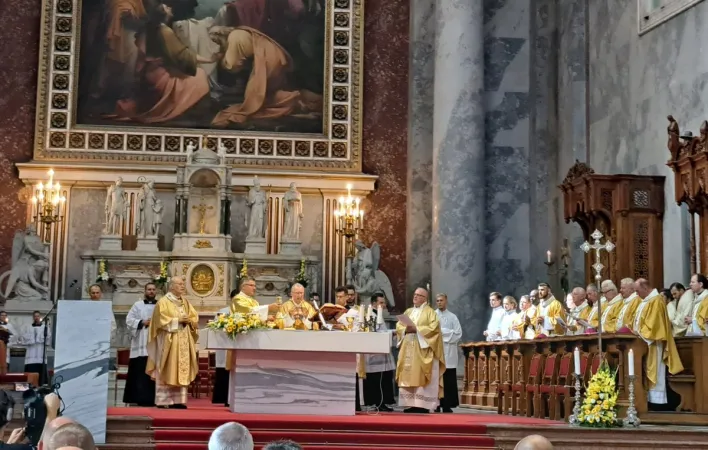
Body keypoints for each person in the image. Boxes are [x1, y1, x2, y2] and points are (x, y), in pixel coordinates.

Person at [146, 276, 199, 409]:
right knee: (168, 367)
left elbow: (194, 316)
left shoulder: (185, 302)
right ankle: (164, 400)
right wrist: (178, 320)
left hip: (183, 340)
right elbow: (160, 321)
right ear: (171, 286)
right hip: (168, 340)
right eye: (179, 284)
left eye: (183, 284)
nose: (182, 286)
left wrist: (190, 321)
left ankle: (178, 401)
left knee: (181, 368)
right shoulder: (163, 302)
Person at [632, 278, 683, 410]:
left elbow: (654, 325)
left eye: (638, 291)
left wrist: (639, 334)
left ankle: (657, 404)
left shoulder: (656, 300)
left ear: (644, 287)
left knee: (654, 372)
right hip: (642, 343)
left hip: (652, 343)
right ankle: (647, 400)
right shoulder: (646, 301)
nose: (637, 294)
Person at [395, 287, 444, 413]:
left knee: (421, 373)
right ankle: (409, 404)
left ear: (425, 298)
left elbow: (434, 329)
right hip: (408, 348)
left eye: (419, 295)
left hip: (422, 349)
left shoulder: (430, 312)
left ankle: (422, 405)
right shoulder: (408, 311)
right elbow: (399, 325)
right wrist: (405, 329)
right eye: (415, 294)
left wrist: (417, 329)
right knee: (408, 374)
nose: (415, 297)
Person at [123, 283, 158, 406]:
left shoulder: (161, 305)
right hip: (141, 341)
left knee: (153, 371)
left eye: (153, 289)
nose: (151, 292)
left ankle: (154, 398)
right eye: (149, 289)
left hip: (156, 343)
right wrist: (142, 322)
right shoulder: (137, 305)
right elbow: (129, 319)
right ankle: (137, 397)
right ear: (145, 291)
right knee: (139, 372)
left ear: (156, 291)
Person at [363, 293, 396, 412]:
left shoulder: (379, 315)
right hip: (374, 355)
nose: (384, 305)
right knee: (376, 380)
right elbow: (374, 333)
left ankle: (383, 402)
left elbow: (383, 331)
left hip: (382, 354)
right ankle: (377, 402)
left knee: (384, 379)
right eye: (381, 303)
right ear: (373, 304)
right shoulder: (369, 315)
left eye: (384, 302)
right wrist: (392, 333)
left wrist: (392, 332)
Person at [434, 293, 462, 413]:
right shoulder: (432, 315)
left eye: (441, 300)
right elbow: (432, 332)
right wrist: (447, 333)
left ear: (446, 301)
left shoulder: (453, 317)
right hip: (437, 352)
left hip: (449, 352)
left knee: (448, 379)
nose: (439, 302)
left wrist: (443, 334)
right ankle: (435, 404)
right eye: (437, 301)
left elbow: (458, 334)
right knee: (436, 379)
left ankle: (447, 404)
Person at [21, 310, 49, 375]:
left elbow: (48, 339)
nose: (36, 317)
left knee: (40, 369)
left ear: (40, 317)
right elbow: (23, 338)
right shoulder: (28, 327)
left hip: (40, 352)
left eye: (38, 316)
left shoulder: (45, 327)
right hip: (31, 352)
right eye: (35, 316)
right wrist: (31, 339)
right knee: (31, 370)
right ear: (33, 317)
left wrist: (39, 339)